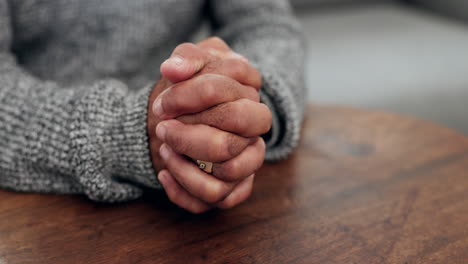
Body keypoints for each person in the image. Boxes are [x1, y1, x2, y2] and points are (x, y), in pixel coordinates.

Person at [0, 0, 305, 213]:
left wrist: (241, 106)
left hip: (187, 217)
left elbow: (267, 24)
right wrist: (125, 132)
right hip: (30, 214)